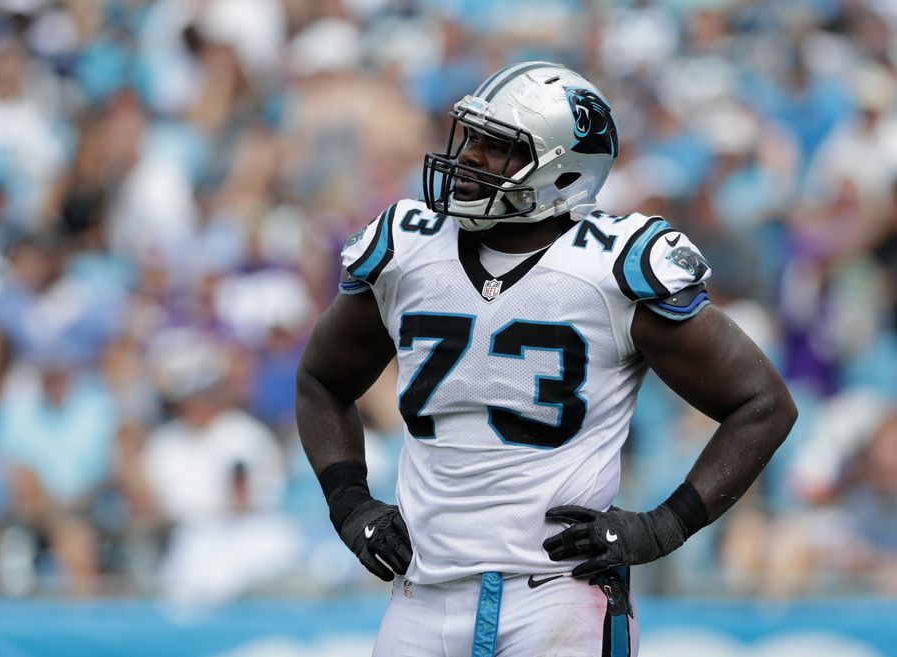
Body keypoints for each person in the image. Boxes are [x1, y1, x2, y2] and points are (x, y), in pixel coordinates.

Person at [295, 61, 797, 656]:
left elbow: (763, 403)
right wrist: (350, 504)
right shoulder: (408, 249)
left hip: (559, 594)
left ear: (563, 173)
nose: (471, 157)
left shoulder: (612, 267)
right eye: (472, 137)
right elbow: (320, 380)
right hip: (421, 592)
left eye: (498, 147)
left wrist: (665, 525)